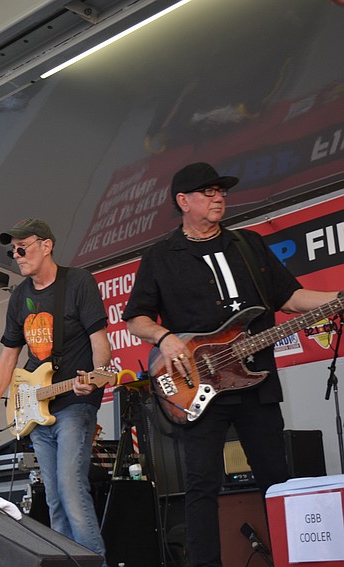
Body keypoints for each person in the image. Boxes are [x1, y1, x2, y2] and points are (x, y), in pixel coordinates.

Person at [123, 162, 342, 567]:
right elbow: (136, 317)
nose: (218, 197)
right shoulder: (161, 256)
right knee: (200, 485)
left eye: (220, 191)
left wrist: (337, 298)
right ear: (183, 201)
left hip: (256, 382)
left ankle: (295, 560)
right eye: (208, 192)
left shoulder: (249, 244)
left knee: (278, 481)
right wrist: (166, 338)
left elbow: (290, 298)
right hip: (197, 383)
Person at [0, 218, 111, 563]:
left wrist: (97, 376)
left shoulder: (78, 282)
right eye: (13, 250)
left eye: (23, 248)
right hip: (35, 407)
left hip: (74, 402)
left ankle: (94, 561)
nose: (17, 255)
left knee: (70, 486)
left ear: (46, 245)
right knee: (53, 495)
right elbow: (9, 356)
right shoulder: (20, 296)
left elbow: (101, 343)